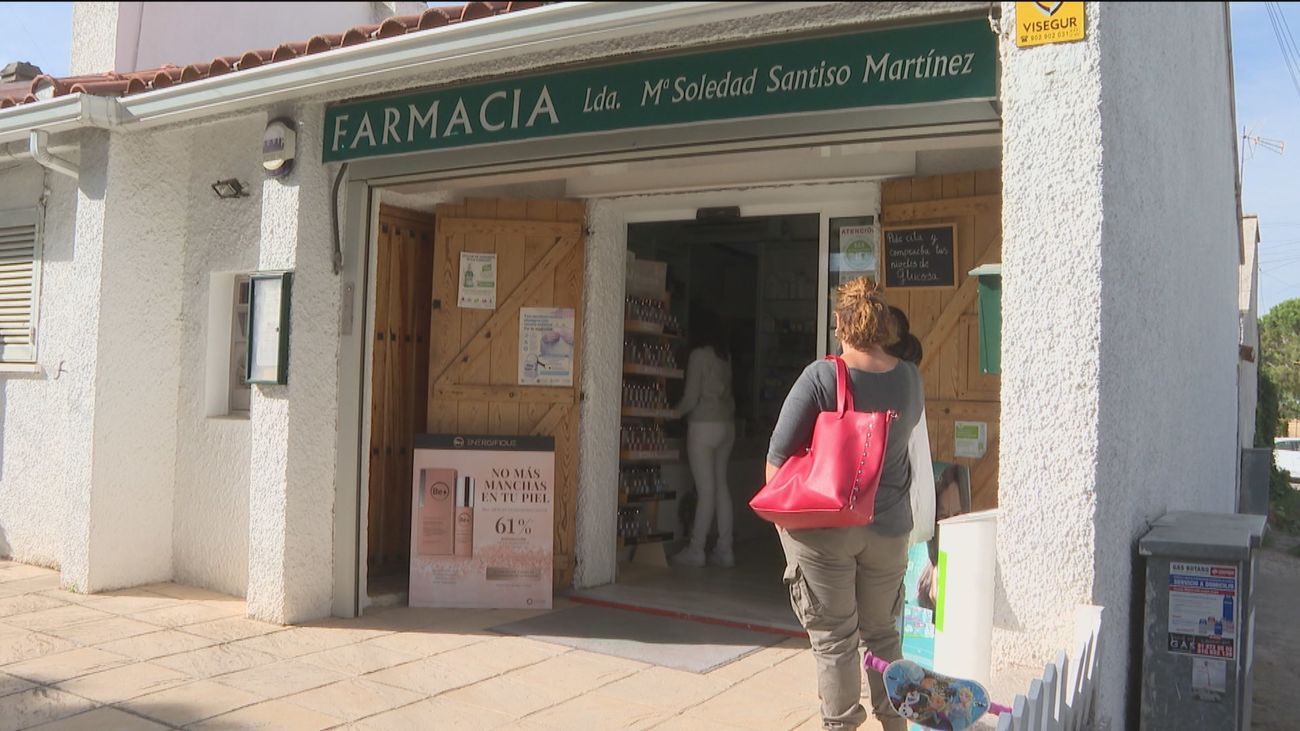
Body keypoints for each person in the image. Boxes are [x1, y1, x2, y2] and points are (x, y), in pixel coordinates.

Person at [766, 277, 925, 731]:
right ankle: (895, 724)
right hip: (889, 528)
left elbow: (776, 461)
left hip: (827, 528)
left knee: (836, 640)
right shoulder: (909, 378)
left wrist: (786, 530)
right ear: (884, 323)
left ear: (839, 322)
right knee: (883, 635)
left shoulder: (822, 376)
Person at [670, 310, 737, 568]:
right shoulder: (725, 356)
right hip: (726, 424)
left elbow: (691, 397)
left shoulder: (698, 356)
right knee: (721, 486)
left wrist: (671, 414)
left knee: (706, 490)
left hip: (703, 425)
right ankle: (725, 549)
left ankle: (696, 549)